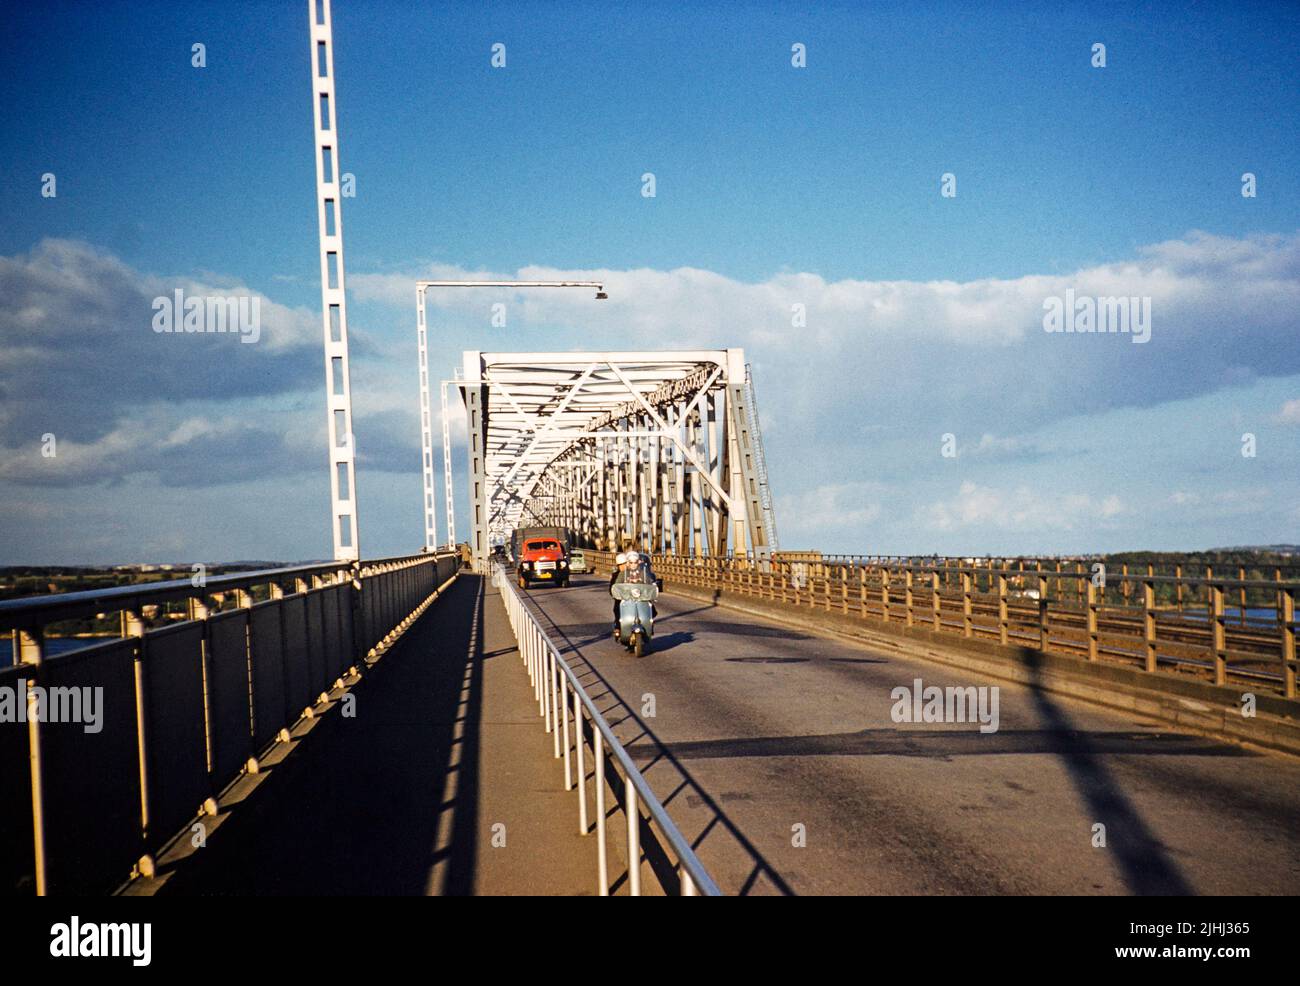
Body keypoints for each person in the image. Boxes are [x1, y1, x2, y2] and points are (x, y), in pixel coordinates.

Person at [609, 552, 628, 633]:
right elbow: (611, 587)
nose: (623, 566)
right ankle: (618, 626)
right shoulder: (616, 575)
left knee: (649, 605)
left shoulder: (634, 572)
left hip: (634, 597)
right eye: (620, 565)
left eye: (624, 564)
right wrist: (614, 593)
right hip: (622, 598)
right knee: (617, 608)